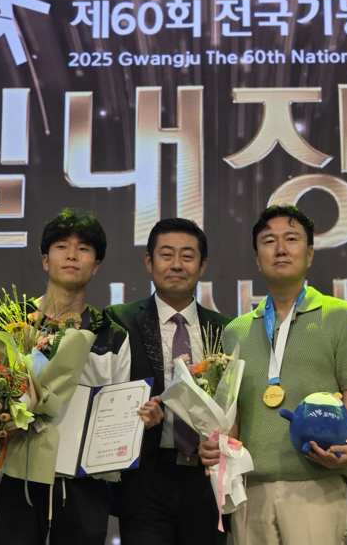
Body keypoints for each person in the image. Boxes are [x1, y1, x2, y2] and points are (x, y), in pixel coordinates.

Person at [200, 205, 347, 545]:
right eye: (269, 241)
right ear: (257, 258)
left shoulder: (341, 316)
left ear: (310, 254)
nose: (280, 248)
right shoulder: (236, 332)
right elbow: (235, 412)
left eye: (291, 239)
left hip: (317, 482)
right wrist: (217, 445)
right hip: (250, 487)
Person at [0, 208, 135, 545]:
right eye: (61, 247)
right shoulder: (12, 322)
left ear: (96, 266)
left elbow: (120, 409)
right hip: (23, 476)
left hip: (86, 486)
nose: (72, 255)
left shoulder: (111, 334)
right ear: (45, 260)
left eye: (84, 249)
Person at [105, 218, 232, 545]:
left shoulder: (225, 329)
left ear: (202, 265)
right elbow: (105, 395)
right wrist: (136, 416)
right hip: (147, 479)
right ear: (149, 261)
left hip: (207, 477)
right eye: (166, 255)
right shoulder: (120, 321)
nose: (177, 264)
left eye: (187, 256)